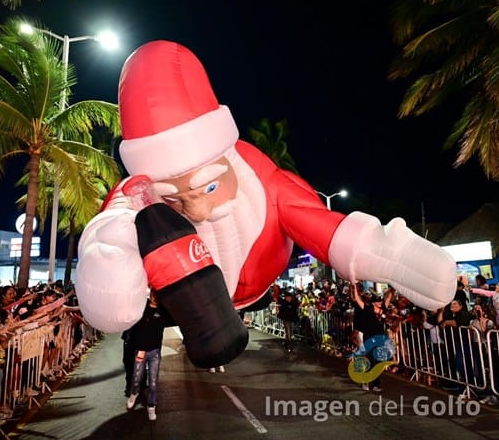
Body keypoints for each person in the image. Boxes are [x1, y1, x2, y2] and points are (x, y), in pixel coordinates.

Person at [75, 40, 456, 363]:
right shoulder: (138, 193)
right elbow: (111, 227)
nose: (196, 211)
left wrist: (396, 255)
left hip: (257, 294)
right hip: (187, 309)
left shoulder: (264, 182)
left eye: (207, 189)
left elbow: (327, 229)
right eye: (175, 198)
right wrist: (107, 260)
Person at [126, 291, 175, 421]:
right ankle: (133, 394)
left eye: (157, 295)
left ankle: (151, 407)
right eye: (152, 294)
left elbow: (177, 316)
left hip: (155, 353)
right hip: (140, 351)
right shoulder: (141, 309)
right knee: (136, 378)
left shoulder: (163, 313)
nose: (154, 297)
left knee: (153, 383)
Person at [350, 284, 394, 393]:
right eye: (378, 302)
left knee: (378, 362)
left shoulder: (383, 309)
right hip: (369, 339)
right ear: (374, 303)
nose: (380, 303)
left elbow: (389, 298)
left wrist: (393, 287)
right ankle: (366, 380)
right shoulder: (367, 310)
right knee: (370, 360)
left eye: (381, 301)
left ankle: (375, 384)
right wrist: (354, 288)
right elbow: (357, 299)